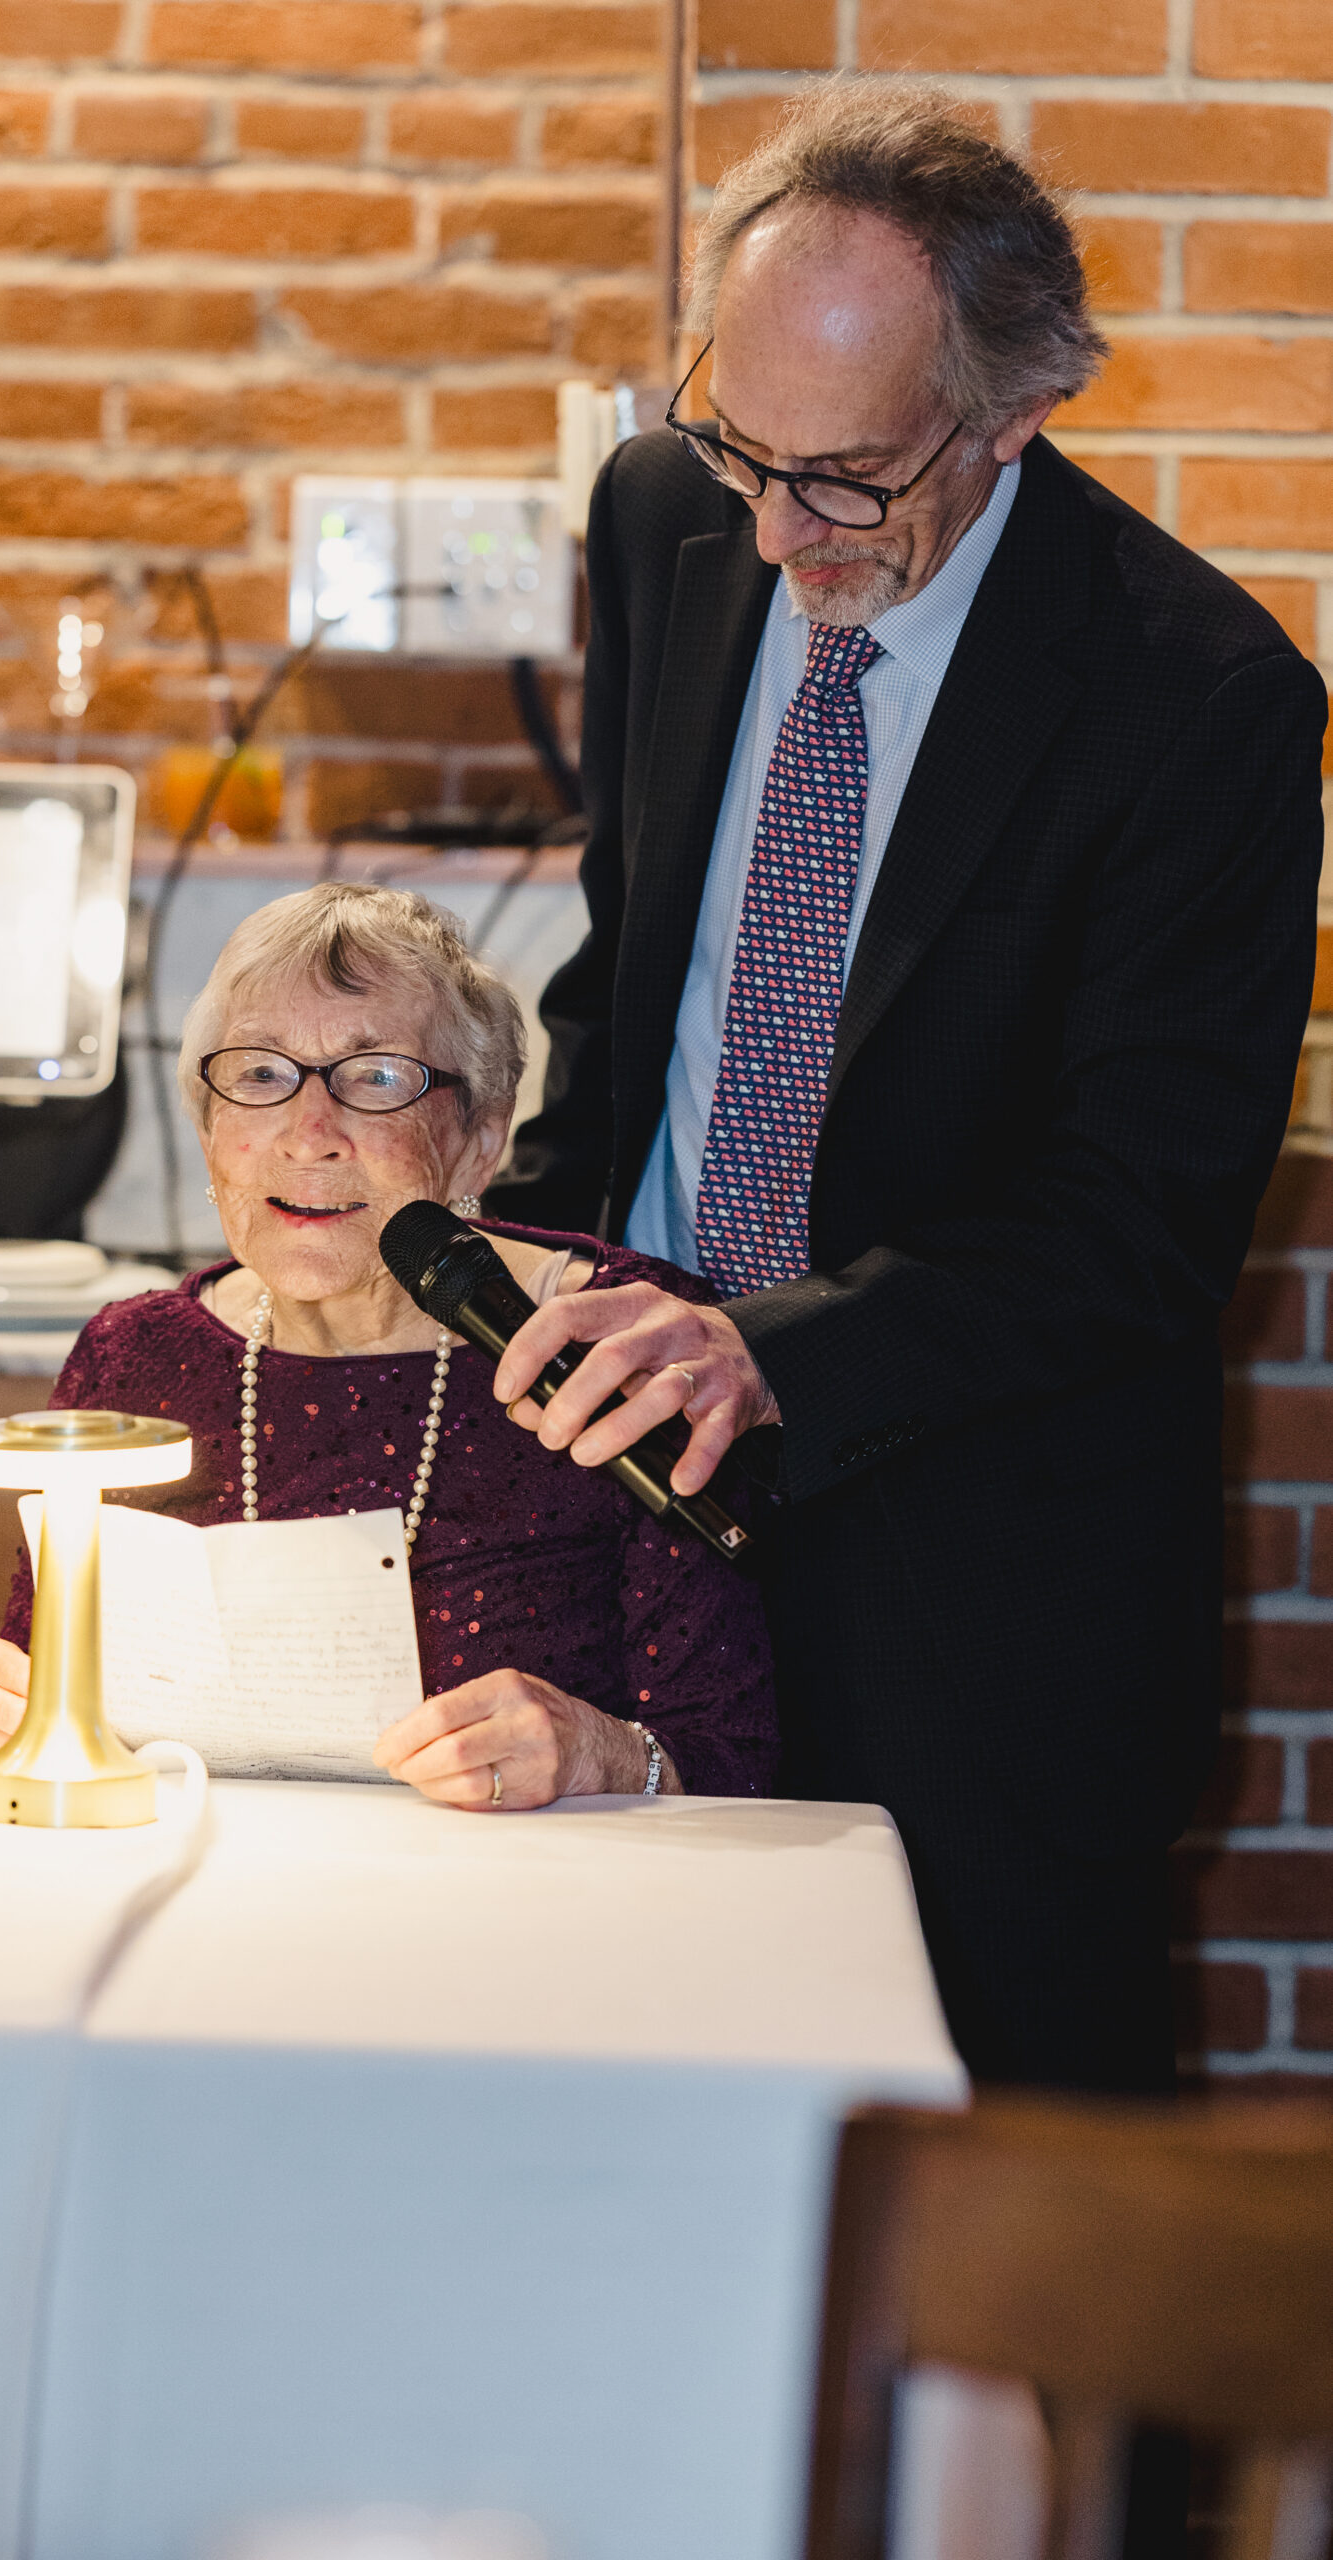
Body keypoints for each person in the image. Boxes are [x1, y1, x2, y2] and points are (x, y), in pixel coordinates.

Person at [489, 81, 1326, 2090]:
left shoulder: (1196, 701)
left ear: (1012, 412)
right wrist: (510, 1244)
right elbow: (639, 966)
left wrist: (767, 1347)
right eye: (740, 449)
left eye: (845, 479)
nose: (776, 532)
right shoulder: (660, 518)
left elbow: (1133, 1228)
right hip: (630, 1508)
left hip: (985, 1596)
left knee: (994, 2229)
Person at [0, 883, 775, 1809]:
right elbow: (34, 1694)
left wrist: (608, 1758)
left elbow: (739, 1759)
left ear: (478, 1142)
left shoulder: (623, 1346)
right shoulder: (134, 1357)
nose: (309, 1134)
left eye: (376, 1078)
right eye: (259, 1076)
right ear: (209, 1127)